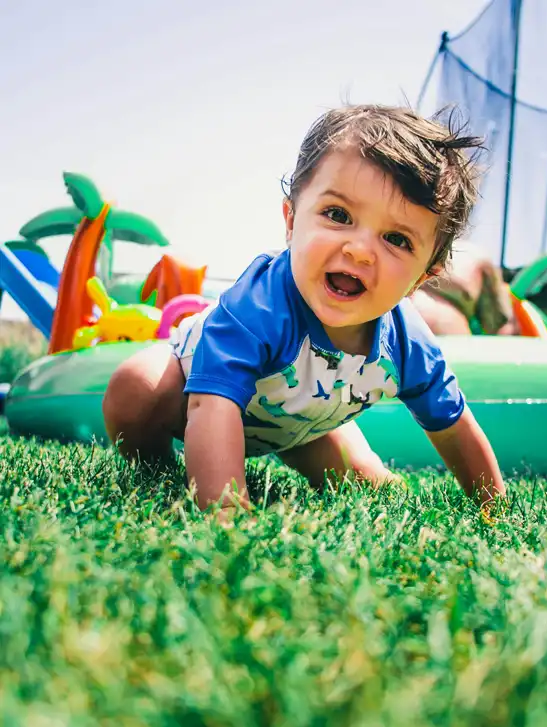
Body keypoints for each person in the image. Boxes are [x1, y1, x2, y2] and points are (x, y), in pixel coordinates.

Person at [102, 104, 506, 520]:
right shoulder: (260, 305)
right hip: (193, 392)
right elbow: (211, 407)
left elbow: (455, 425)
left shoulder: (407, 341)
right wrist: (226, 515)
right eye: (338, 215)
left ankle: (359, 468)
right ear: (291, 220)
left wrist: (495, 511)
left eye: (396, 239)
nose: (360, 250)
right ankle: (156, 468)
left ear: (423, 277)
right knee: (135, 389)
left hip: (301, 422)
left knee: (367, 484)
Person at [410, 240, 519, 336]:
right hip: (446, 326)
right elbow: (501, 324)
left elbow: (501, 321)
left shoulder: (429, 244)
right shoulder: (475, 255)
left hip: (414, 317)